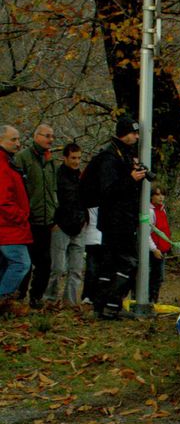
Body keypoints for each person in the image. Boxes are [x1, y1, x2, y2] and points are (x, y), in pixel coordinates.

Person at [91, 115, 146, 320]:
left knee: (111, 263)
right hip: (116, 220)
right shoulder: (110, 157)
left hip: (122, 218)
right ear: (124, 133)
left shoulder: (123, 154)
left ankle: (104, 305)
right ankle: (111, 304)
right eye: (133, 133)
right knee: (125, 262)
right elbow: (109, 189)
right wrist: (130, 179)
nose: (137, 137)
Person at [14, 123, 58, 308]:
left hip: (46, 220)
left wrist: (54, 212)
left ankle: (36, 297)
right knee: (26, 263)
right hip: (28, 220)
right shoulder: (22, 158)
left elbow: (53, 189)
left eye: (52, 136)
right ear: (36, 136)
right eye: (47, 136)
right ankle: (18, 297)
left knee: (45, 263)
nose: (50, 140)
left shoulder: (50, 161)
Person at [45, 142, 86, 304]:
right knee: (58, 268)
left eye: (79, 158)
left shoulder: (80, 176)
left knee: (76, 269)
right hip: (61, 226)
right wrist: (53, 223)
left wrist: (83, 220)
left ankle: (70, 302)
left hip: (78, 225)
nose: (76, 161)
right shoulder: (57, 176)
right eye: (73, 158)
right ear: (65, 157)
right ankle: (50, 298)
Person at [0, 125, 32, 316]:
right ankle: (4, 299)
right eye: (13, 139)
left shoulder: (8, 162)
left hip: (10, 225)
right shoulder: (3, 166)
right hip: (9, 227)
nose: (18, 144)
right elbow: (3, 201)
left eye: (18, 139)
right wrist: (21, 216)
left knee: (6, 265)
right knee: (21, 263)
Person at [147, 184, 171, 302]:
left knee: (159, 277)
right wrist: (154, 249)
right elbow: (146, 233)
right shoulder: (150, 212)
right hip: (153, 250)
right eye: (157, 194)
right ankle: (149, 300)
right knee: (152, 277)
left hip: (162, 249)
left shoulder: (162, 210)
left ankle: (154, 300)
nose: (160, 197)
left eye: (162, 194)